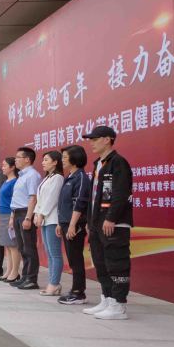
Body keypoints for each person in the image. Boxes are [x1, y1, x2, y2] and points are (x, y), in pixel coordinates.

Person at [82, 126, 134, 320]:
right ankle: (107, 298)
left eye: (95, 139)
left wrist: (111, 217)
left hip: (114, 224)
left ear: (107, 139)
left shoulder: (118, 162)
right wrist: (90, 221)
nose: (91, 143)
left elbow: (120, 193)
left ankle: (118, 305)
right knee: (101, 262)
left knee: (116, 263)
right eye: (90, 139)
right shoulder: (99, 164)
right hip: (98, 224)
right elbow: (95, 196)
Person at [57, 146, 91, 306]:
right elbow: (63, 203)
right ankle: (76, 290)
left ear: (75, 159)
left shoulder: (81, 177)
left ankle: (78, 292)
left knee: (76, 258)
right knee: (72, 258)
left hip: (75, 225)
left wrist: (72, 225)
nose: (62, 160)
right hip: (65, 223)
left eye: (65, 157)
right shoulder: (70, 177)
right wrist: (60, 223)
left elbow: (79, 203)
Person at [34, 151, 66, 296]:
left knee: (55, 253)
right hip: (45, 219)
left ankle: (54, 283)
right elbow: (41, 199)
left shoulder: (58, 178)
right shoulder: (47, 178)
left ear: (55, 162)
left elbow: (52, 199)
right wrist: (36, 213)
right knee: (49, 253)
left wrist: (41, 214)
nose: (43, 162)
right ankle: (52, 283)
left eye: (46, 160)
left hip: (52, 219)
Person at [10, 147, 41, 290]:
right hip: (17, 213)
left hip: (25, 213)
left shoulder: (32, 175)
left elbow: (33, 198)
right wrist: (13, 216)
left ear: (27, 159)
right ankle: (25, 276)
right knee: (22, 247)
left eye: (18, 157)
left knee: (29, 247)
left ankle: (32, 279)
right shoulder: (21, 176)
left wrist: (28, 218)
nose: (15, 160)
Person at [0, 158, 20, 284]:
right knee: (7, 245)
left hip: (10, 214)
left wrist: (12, 216)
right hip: (3, 214)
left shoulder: (15, 182)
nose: (3, 167)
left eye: (5, 165)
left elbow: (15, 200)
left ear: (12, 167)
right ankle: (9, 270)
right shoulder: (6, 181)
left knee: (13, 245)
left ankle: (15, 272)